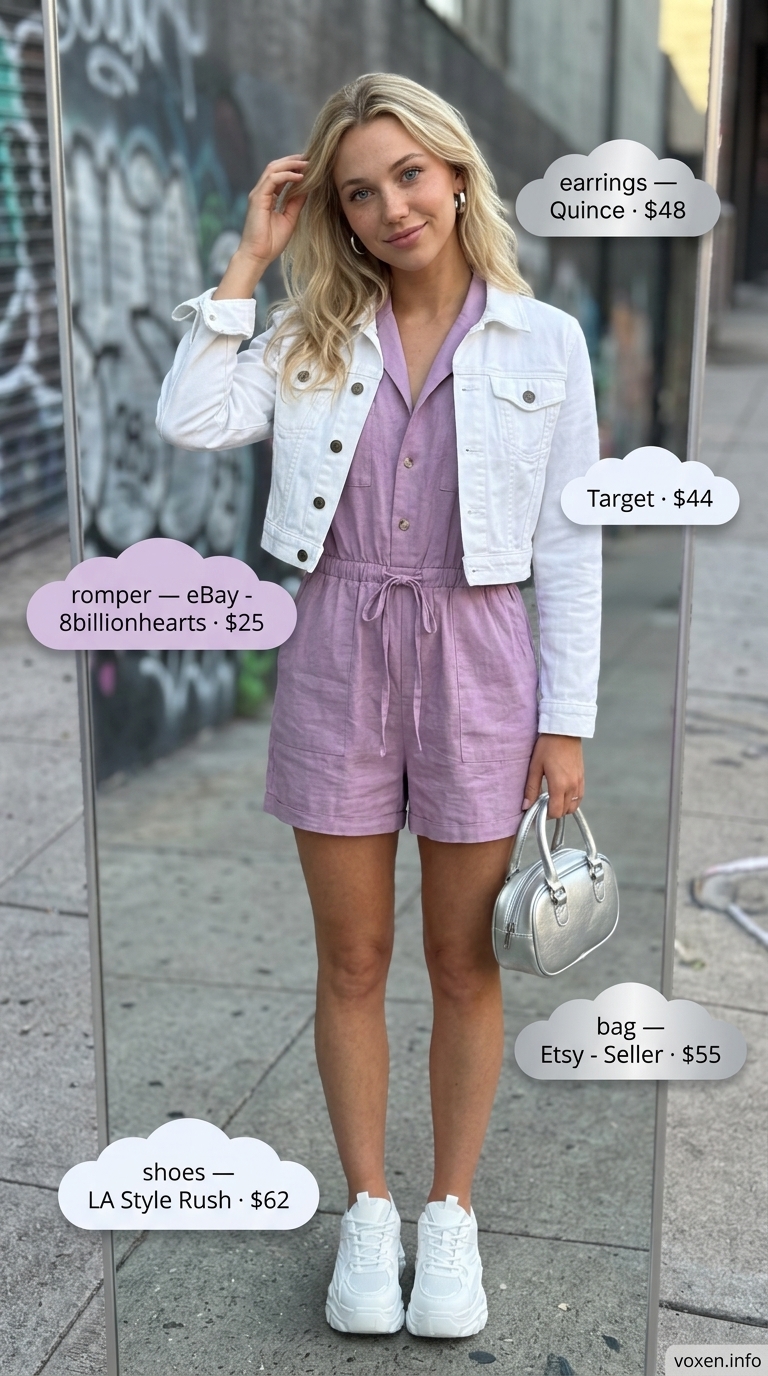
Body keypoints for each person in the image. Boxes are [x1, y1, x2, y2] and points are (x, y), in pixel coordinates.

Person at [157, 72, 601, 1340]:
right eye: (360, 191)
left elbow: (571, 543)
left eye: (409, 174)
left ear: (457, 175)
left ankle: (448, 1214)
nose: (391, 205)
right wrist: (250, 258)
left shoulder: (543, 340)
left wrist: (562, 720)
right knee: (351, 958)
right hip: (340, 645)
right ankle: (369, 1209)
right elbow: (190, 416)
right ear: (337, 216)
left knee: (464, 961)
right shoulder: (312, 330)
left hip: (479, 654)